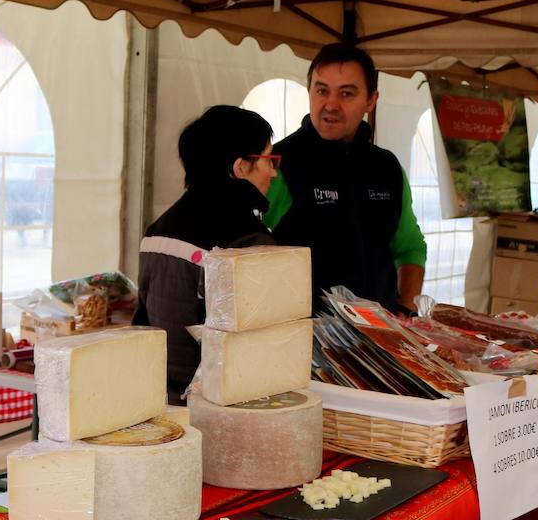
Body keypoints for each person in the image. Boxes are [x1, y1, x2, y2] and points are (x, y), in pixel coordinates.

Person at [263, 43, 427, 313]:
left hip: (377, 340)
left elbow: (409, 248)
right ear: (309, 92)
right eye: (321, 90)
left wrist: (406, 309)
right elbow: (242, 253)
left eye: (346, 93)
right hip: (303, 342)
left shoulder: (386, 167)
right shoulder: (279, 163)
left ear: (371, 100)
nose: (331, 104)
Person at [134, 105, 279, 403]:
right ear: (241, 167)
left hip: (160, 401)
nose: (274, 172)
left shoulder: (156, 232)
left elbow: (142, 323)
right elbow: (255, 350)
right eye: (269, 160)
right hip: (218, 409)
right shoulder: (247, 242)